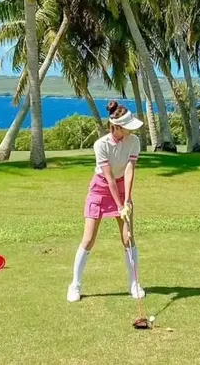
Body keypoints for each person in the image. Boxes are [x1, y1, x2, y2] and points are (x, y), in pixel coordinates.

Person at [67, 100, 144, 303]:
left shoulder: (134, 141)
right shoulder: (100, 145)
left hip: (121, 188)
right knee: (89, 238)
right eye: (127, 126)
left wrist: (126, 201)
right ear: (117, 127)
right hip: (100, 190)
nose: (131, 129)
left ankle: (134, 283)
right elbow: (108, 178)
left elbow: (129, 170)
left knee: (128, 238)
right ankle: (75, 285)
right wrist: (119, 205)